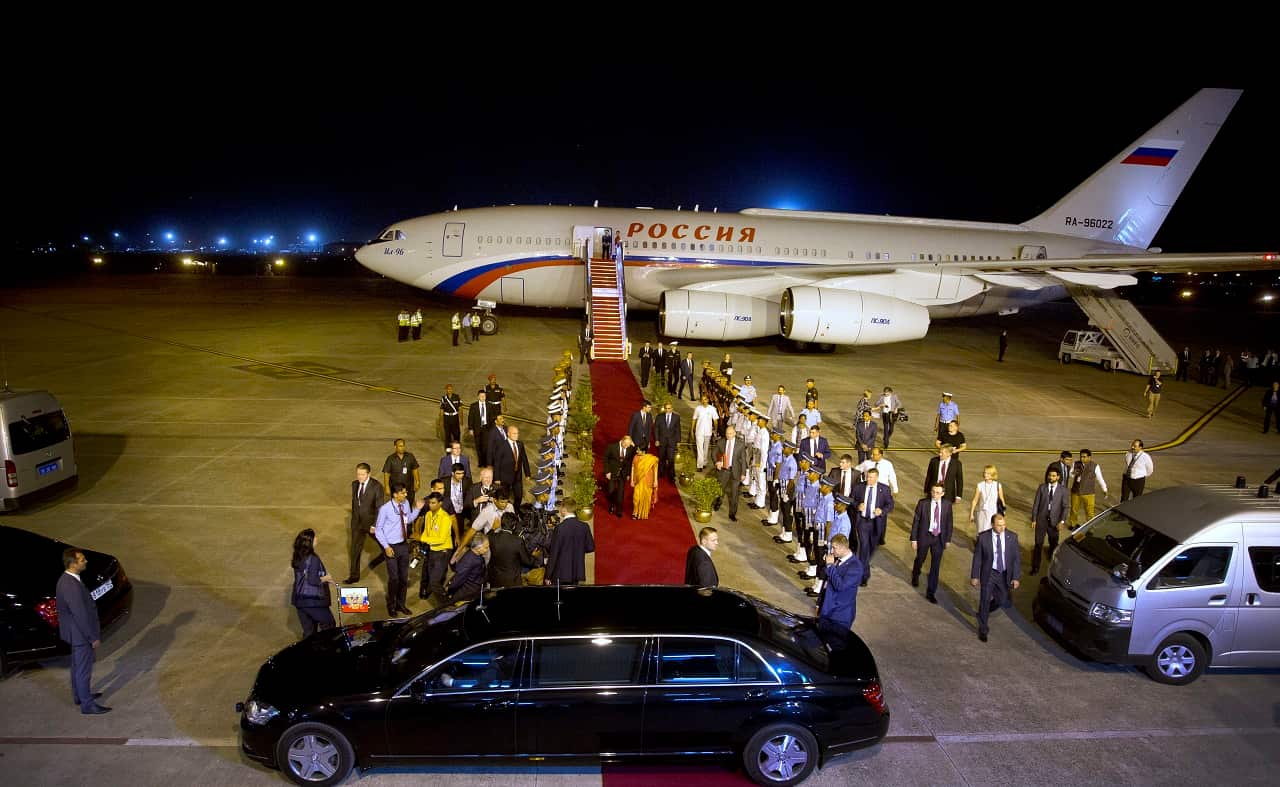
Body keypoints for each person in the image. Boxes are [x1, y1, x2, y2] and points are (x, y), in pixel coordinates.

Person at [56, 548, 110, 714]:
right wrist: (92, 637)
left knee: (77, 666)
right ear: (73, 564)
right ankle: (87, 705)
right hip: (80, 634)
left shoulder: (68, 580)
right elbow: (80, 614)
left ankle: (80, 696)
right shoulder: (70, 585)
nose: (86, 561)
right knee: (83, 670)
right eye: (82, 560)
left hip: (75, 633)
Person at [374, 483, 426, 616]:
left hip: (403, 545)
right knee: (394, 578)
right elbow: (378, 530)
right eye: (403, 493)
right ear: (395, 494)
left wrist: (417, 509)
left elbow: (407, 520)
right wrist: (386, 547)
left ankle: (401, 604)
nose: (406, 494)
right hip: (390, 547)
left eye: (406, 492)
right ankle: (391, 605)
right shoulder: (385, 509)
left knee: (403, 577)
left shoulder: (406, 503)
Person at [971, 513, 1021, 642]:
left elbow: (1016, 559)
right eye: (999, 525)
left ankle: (984, 610)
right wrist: (975, 576)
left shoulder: (1012, 537)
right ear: (992, 525)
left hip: (1003, 575)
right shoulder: (983, 538)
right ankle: (983, 629)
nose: (1002, 528)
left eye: (1004, 525)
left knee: (1002, 599)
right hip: (989, 574)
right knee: (984, 599)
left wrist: (1016, 577)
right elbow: (977, 558)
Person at [911, 484, 954, 603]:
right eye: (933, 492)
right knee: (920, 558)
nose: (935, 494)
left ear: (943, 494)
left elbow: (949, 523)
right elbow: (916, 521)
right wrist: (914, 539)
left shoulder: (947, 505)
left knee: (935, 566)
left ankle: (931, 592)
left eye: (938, 492)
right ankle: (916, 573)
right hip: (925, 536)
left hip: (939, 538)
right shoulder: (923, 503)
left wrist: (948, 539)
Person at [851, 468, 893, 587]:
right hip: (863, 522)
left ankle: (864, 565)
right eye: (867, 477)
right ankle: (863, 576)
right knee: (864, 547)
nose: (868, 479)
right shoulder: (859, 487)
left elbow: (890, 504)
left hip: (876, 523)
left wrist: (882, 511)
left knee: (871, 548)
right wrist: (857, 505)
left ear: (877, 478)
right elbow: (851, 500)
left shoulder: (884, 489)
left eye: (871, 477)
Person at [291, 528, 336, 638]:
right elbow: (312, 580)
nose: (317, 538)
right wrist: (326, 578)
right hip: (313, 601)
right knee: (329, 624)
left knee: (309, 632)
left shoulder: (298, 555)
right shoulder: (313, 558)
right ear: (309, 542)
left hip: (299, 601)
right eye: (314, 537)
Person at [413, 493, 457, 602]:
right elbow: (427, 532)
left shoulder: (445, 518)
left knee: (434, 582)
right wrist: (422, 543)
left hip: (443, 551)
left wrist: (421, 538)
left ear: (440, 503)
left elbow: (441, 539)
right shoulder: (428, 515)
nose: (430, 505)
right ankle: (428, 591)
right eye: (429, 503)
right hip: (432, 549)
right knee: (429, 573)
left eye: (433, 503)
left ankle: (447, 602)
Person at [817, 534, 862, 640]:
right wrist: (820, 603)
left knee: (835, 645)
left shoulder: (855, 567)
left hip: (839, 616)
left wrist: (830, 566)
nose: (832, 551)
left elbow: (840, 586)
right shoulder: (838, 560)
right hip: (827, 611)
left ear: (843, 548)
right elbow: (826, 584)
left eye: (834, 548)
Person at [347, 462, 384, 584]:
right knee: (354, 550)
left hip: (371, 524)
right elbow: (356, 504)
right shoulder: (355, 484)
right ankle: (354, 576)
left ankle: (390, 556)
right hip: (357, 523)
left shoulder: (377, 487)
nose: (360, 477)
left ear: (369, 474)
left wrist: (375, 525)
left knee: (383, 543)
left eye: (362, 474)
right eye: (358, 474)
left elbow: (379, 508)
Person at [546, 497, 595, 585]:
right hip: (578, 573)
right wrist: (578, 549)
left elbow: (554, 553)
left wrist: (548, 575)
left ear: (564, 509)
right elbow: (590, 547)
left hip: (561, 574)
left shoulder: (560, 528)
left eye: (560, 507)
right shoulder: (584, 526)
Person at [1029, 469, 1068, 575]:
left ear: (1058, 477)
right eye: (1050, 475)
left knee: (1054, 544)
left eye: (1053, 476)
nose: (1051, 477)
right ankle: (1035, 567)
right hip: (1041, 520)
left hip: (1055, 522)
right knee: (1038, 544)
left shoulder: (1063, 490)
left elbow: (1065, 507)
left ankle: (1053, 565)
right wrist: (1034, 519)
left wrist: (1062, 521)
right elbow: (1036, 504)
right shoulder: (1042, 487)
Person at [487, 512, 535, 588]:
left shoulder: (492, 537)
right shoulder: (517, 541)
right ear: (514, 526)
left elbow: (487, 536)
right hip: (512, 582)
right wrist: (534, 556)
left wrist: (493, 528)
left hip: (495, 579)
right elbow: (527, 561)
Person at [381, 438, 420, 522]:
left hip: (408, 488)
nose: (402, 448)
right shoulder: (390, 459)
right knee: (396, 506)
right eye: (400, 446)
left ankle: (408, 525)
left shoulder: (410, 457)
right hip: (396, 489)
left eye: (403, 446)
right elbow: (386, 473)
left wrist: (417, 482)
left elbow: (415, 469)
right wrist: (387, 486)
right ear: (395, 447)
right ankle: (397, 522)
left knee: (408, 506)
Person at [715, 425, 748, 521]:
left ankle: (732, 513)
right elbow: (714, 453)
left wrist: (743, 473)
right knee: (720, 489)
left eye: (730, 433)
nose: (728, 435)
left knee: (734, 494)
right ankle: (718, 503)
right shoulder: (721, 442)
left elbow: (743, 459)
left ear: (734, 433)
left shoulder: (740, 444)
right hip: (724, 470)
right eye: (727, 433)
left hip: (736, 472)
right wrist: (717, 462)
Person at [491, 424, 530, 506]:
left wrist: (527, 474)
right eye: (514, 433)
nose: (516, 435)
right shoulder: (501, 446)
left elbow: (524, 459)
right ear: (508, 434)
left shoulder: (520, 444)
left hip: (517, 477)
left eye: (517, 433)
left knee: (519, 496)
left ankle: (516, 510)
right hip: (505, 477)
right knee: (505, 497)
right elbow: (497, 463)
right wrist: (497, 478)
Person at [1069, 449, 1109, 525]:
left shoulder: (1095, 466)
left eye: (1084, 457)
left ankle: (1090, 526)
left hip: (1089, 493)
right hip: (1076, 491)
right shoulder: (1075, 464)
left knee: (1090, 512)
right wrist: (1074, 473)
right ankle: (1073, 524)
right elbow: (1071, 475)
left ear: (1089, 457)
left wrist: (1105, 489)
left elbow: (1100, 478)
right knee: (1074, 510)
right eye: (1081, 457)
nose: (1082, 458)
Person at [448, 534, 489, 602]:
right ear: (478, 548)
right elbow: (458, 578)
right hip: (466, 593)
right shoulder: (468, 560)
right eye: (486, 547)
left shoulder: (477, 555)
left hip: (474, 590)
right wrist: (450, 590)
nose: (487, 549)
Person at [969, 464, 1005, 539]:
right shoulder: (980, 485)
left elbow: (1002, 499)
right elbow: (975, 500)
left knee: (993, 533)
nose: (985, 475)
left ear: (992, 474)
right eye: (985, 473)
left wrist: (1003, 512)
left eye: (988, 473)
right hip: (982, 513)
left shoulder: (998, 485)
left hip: (994, 513)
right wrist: (971, 513)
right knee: (982, 532)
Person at [604, 435, 636, 517]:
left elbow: (630, 460)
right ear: (622, 441)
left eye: (628, 445)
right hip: (612, 473)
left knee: (620, 492)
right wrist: (607, 472)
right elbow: (605, 459)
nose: (626, 446)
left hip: (623, 474)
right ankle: (612, 504)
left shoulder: (630, 448)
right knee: (611, 491)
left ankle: (619, 510)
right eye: (625, 444)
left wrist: (628, 473)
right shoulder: (612, 447)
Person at [654, 400, 681, 481]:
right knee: (661, 458)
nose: (667, 410)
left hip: (672, 442)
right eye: (666, 408)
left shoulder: (676, 417)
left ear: (672, 408)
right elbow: (656, 428)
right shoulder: (659, 416)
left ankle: (671, 475)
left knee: (671, 459)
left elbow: (678, 429)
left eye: (669, 408)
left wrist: (678, 441)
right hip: (662, 441)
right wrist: (657, 439)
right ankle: (661, 473)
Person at [631, 447, 659, 519]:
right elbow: (633, 468)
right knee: (636, 497)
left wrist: (655, 481)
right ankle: (635, 512)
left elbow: (655, 470)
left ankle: (643, 513)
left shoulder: (651, 459)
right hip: (638, 480)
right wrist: (632, 480)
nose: (637, 451)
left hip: (648, 481)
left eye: (638, 450)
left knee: (646, 497)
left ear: (643, 451)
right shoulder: (635, 457)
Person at [693, 395, 718, 471]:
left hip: (708, 431)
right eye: (702, 399)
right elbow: (694, 419)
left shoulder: (712, 409)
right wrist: (692, 429)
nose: (704, 401)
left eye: (705, 399)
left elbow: (715, 420)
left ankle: (704, 462)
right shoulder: (698, 408)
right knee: (699, 448)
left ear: (708, 400)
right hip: (699, 431)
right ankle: (699, 465)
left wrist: (715, 429)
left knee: (706, 448)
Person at [467, 390, 492, 466]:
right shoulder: (473, 406)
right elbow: (470, 418)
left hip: (486, 428)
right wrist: (470, 428)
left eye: (484, 396)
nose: (483, 397)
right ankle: (480, 462)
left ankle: (485, 462)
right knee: (478, 446)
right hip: (477, 428)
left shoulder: (489, 405)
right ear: (478, 397)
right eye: (481, 396)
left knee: (485, 446)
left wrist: (491, 428)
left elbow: (491, 418)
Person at [439, 384, 463, 449]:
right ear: (446, 390)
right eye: (448, 389)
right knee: (447, 435)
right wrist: (441, 421)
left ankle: (457, 448)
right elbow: (441, 411)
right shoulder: (443, 399)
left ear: (452, 389)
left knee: (457, 434)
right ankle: (448, 449)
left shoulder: (457, 397)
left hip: (455, 417)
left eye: (450, 389)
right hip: (447, 418)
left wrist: (461, 419)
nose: (449, 390)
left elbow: (460, 408)